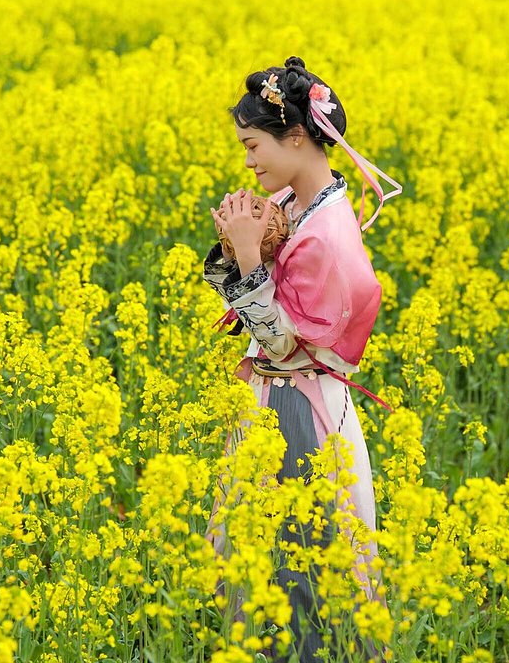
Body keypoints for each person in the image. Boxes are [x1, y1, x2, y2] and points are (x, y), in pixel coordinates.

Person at [201, 56, 402, 662]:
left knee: (304, 556)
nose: (248, 160)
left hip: (301, 409)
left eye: (253, 144)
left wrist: (246, 259)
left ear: (295, 136)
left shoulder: (327, 232)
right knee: (266, 552)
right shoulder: (298, 201)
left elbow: (288, 343)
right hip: (275, 397)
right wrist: (245, 245)